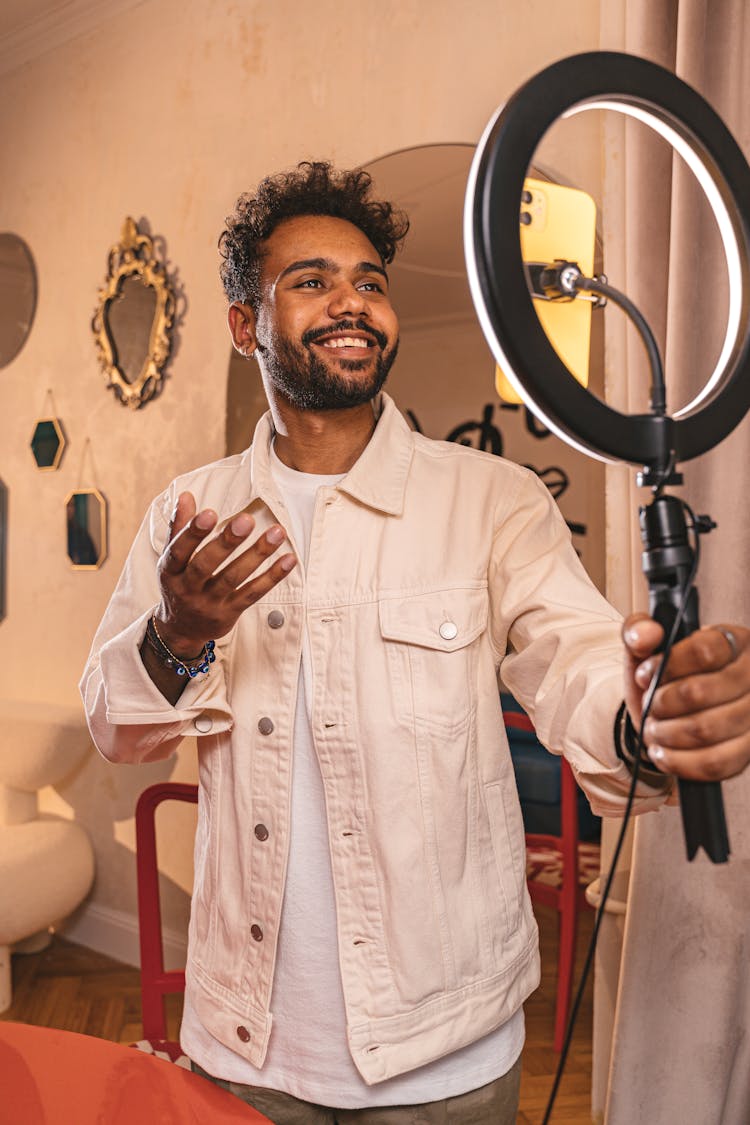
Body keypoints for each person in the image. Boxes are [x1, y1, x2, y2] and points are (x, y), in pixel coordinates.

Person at [80, 161, 750, 1124]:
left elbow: (579, 656)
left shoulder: (492, 500)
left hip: (445, 1059)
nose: (352, 302)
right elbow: (118, 726)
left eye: (371, 281)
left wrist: (649, 711)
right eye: (311, 280)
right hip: (242, 1047)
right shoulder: (189, 515)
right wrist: (180, 632)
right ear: (244, 325)